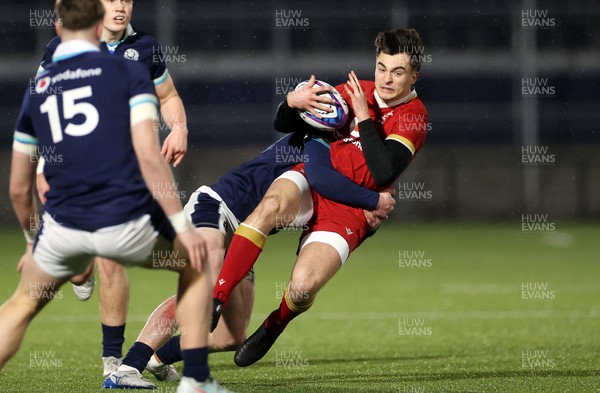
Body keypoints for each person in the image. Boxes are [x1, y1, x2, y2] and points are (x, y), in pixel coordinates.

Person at [0, 1, 232, 392]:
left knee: (21, 304)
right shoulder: (125, 70)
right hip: (121, 216)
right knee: (199, 260)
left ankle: (111, 356)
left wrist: (30, 241)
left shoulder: (41, 86)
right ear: (95, 28)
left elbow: (17, 187)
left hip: (60, 225)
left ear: (60, 31)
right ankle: (194, 379)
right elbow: (146, 153)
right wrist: (180, 225)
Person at [103, 87, 396, 388]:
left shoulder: (340, 154)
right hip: (218, 206)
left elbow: (339, 198)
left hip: (247, 233)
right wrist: (374, 201)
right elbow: (304, 148)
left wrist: (368, 212)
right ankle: (128, 366)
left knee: (231, 337)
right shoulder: (316, 141)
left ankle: (159, 357)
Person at [210, 28, 429, 367]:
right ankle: (217, 298)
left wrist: (365, 115)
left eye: (397, 72)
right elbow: (289, 123)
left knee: (302, 288)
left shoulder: (414, 117)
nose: (386, 78)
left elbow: (384, 172)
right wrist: (291, 103)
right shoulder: (355, 90)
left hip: (353, 207)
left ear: (414, 75)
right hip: (313, 181)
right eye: (381, 67)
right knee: (269, 207)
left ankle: (275, 324)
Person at [31, 0, 189, 378]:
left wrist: (179, 127)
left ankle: (136, 357)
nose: (120, 6)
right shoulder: (64, 45)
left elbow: (168, 96)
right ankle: (116, 363)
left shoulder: (146, 47)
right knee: (104, 260)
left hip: (128, 170)